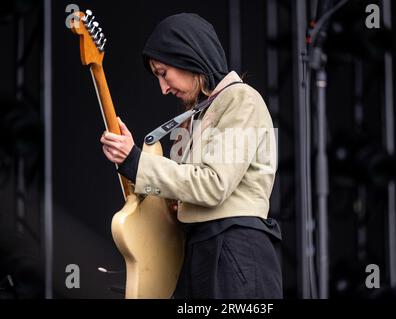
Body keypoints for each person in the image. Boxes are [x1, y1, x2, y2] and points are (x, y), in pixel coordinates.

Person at [100, 13, 282, 299]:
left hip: (234, 251)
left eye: (163, 73)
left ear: (188, 57)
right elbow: (188, 190)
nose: (163, 88)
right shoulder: (197, 116)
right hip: (200, 252)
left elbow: (214, 184)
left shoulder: (240, 99)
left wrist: (136, 162)